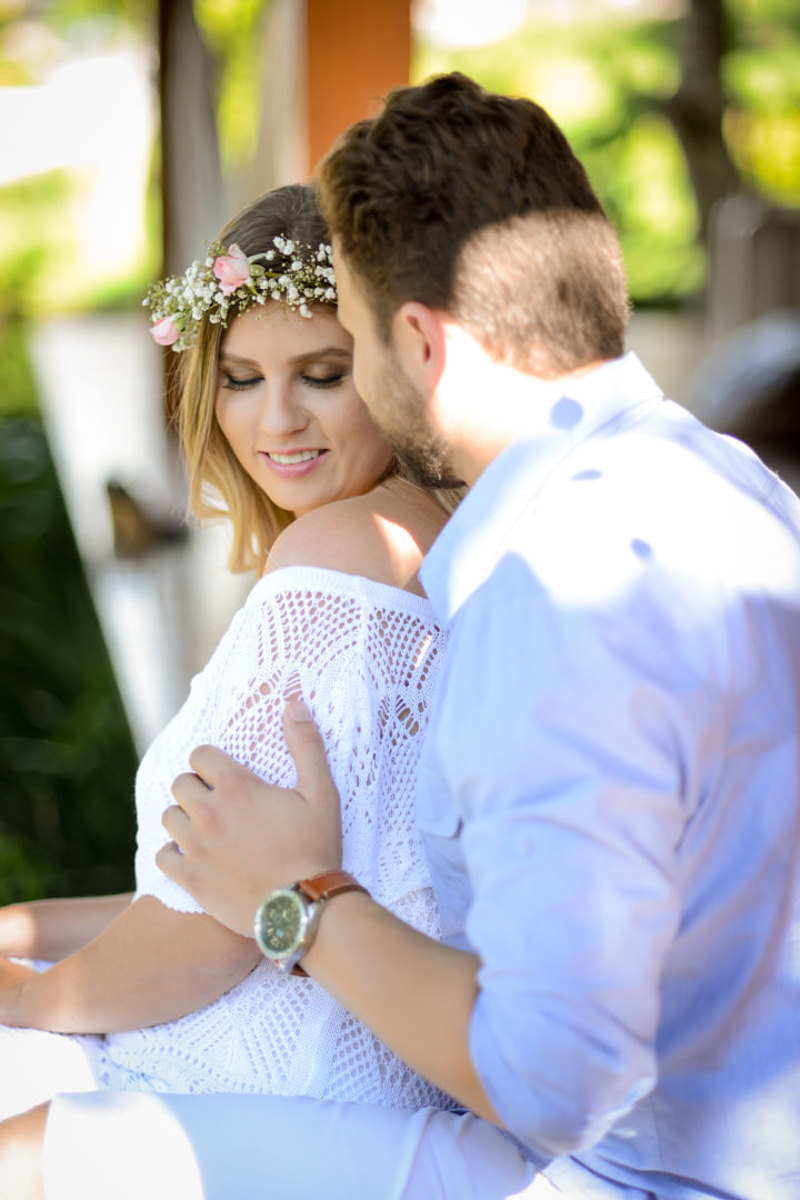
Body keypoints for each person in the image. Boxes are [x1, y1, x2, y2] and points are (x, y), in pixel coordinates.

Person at [146, 72, 798, 1199]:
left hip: (643, 1176)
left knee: (39, 1147)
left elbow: (553, 1082)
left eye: (341, 339)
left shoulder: (552, 591)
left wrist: (300, 898)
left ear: (416, 342)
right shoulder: (732, 485)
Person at [0, 181, 541, 1198]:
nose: (275, 418)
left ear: (395, 366)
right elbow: (225, 879)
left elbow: (212, 938)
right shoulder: (423, 536)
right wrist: (27, 930)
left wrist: (33, 1001)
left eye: (322, 374)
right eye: (241, 376)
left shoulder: (339, 552)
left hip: (277, 1085)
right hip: (355, 1056)